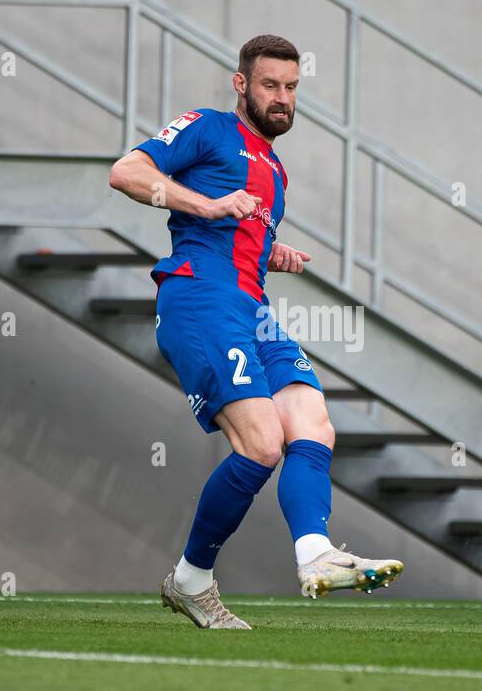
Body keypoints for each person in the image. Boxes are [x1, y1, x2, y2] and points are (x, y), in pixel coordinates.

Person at [108, 34, 403, 629]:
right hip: (200, 299)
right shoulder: (208, 127)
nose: (282, 98)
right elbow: (127, 172)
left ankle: (314, 554)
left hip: (251, 305)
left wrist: (269, 252)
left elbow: (239, 235)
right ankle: (193, 580)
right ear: (241, 83)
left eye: (291, 88)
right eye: (270, 85)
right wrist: (207, 206)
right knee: (263, 444)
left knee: (313, 422)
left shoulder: (275, 168)